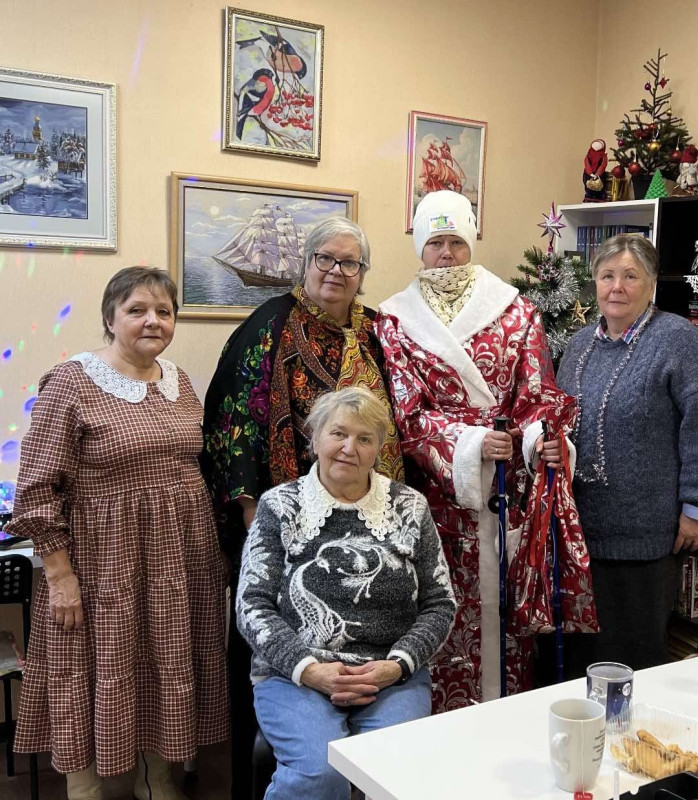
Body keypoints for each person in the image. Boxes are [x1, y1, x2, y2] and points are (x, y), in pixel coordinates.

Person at [6, 268, 228, 800]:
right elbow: (35, 488)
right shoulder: (72, 381)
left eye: (164, 311)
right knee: (92, 667)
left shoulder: (178, 381)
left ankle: (157, 779)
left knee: (163, 662)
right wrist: (60, 576)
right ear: (110, 318)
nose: (153, 321)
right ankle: (86, 789)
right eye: (137, 310)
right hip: (105, 562)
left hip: (178, 561)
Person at [202, 217, 404, 799]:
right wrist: (251, 511)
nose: (336, 271)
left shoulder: (377, 333)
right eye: (325, 258)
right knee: (273, 631)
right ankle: (289, 766)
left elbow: (401, 414)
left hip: (367, 515)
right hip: (283, 518)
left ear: (363, 273)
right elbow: (232, 421)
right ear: (306, 262)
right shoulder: (269, 325)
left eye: (350, 263)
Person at [375, 190, 594, 709]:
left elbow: (536, 395)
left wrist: (541, 440)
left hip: (505, 490)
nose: (446, 253)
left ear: (470, 242)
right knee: (439, 609)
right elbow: (407, 411)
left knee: (502, 618)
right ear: (420, 247)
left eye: (455, 241)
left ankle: (506, 718)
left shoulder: (516, 311)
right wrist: (472, 443)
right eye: (435, 243)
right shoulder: (394, 318)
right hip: (438, 493)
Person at [236, 387, 455, 800]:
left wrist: (397, 665)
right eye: (338, 433)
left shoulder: (410, 507)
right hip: (295, 675)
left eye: (364, 438)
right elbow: (252, 605)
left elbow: (439, 604)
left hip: (390, 677)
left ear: (379, 449)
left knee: (401, 775)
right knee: (320, 775)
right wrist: (308, 669)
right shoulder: (279, 506)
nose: (349, 448)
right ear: (315, 438)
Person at [556, 234, 698, 672]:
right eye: (607, 276)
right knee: (581, 656)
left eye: (630, 276)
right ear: (595, 282)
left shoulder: (678, 341)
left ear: (652, 283)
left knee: (632, 656)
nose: (616, 287)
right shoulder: (580, 345)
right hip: (579, 532)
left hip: (645, 537)